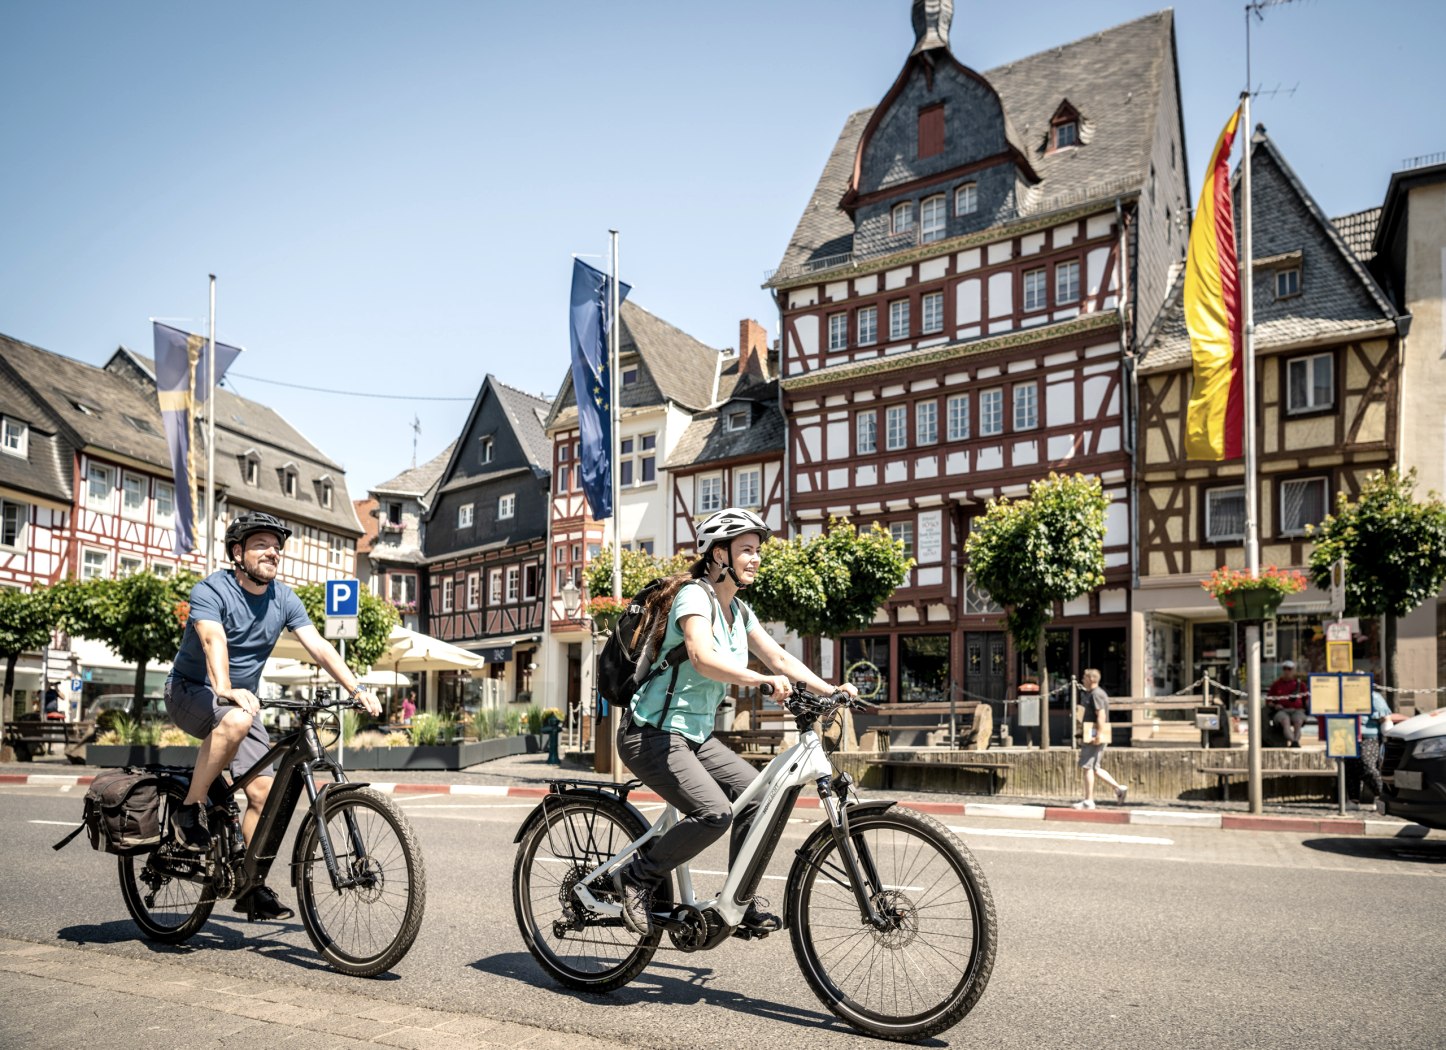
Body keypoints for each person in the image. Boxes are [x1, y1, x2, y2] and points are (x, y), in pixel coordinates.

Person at [613, 507, 858, 936]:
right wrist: (762, 680)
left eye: (757, 550)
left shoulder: (739, 611)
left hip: (694, 738)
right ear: (717, 554)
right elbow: (701, 658)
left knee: (759, 796)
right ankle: (636, 876)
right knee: (714, 812)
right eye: (746, 549)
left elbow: (778, 657)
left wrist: (830, 689)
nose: (756, 558)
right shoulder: (693, 597)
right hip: (650, 734)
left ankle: (735, 902)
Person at [165, 510, 382, 922]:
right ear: (237, 552)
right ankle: (189, 809)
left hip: (241, 702)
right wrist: (225, 688)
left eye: (277, 546)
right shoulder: (211, 590)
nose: (272, 552)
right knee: (236, 719)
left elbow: (319, 646)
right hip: (190, 692)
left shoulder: (284, 599)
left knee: (263, 795)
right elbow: (212, 641)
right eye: (261, 544)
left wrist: (356, 689)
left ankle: (251, 886)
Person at [1073, 668, 1127, 810]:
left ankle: (1088, 801)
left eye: (1085, 677)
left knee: (1087, 767)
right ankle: (1119, 789)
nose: (1083, 679)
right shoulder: (1093, 694)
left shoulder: (1096, 694)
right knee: (1094, 767)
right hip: (1094, 731)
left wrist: (1097, 735)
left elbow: (1101, 715)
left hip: (1094, 732)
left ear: (1091, 679)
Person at [1347, 688, 1407, 805]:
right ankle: (1353, 800)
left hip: (1369, 737)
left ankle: (1383, 795)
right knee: (1350, 768)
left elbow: (1385, 718)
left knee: (1367, 766)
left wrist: (1388, 734)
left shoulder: (1374, 697)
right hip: (1348, 735)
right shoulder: (1346, 696)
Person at [1267, 660, 1308, 748]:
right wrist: (1275, 705)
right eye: (1285, 669)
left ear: (1293, 671)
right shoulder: (1276, 684)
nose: (1287, 671)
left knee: (1298, 721)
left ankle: (1295, 741)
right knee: (1285, 721)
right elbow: (1269, 701)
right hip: (1282, 710)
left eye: (1289, 669)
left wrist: (1306, 709)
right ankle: (1294, 742)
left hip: (1297, 710)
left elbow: (1306, 700)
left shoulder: (1300, 685)